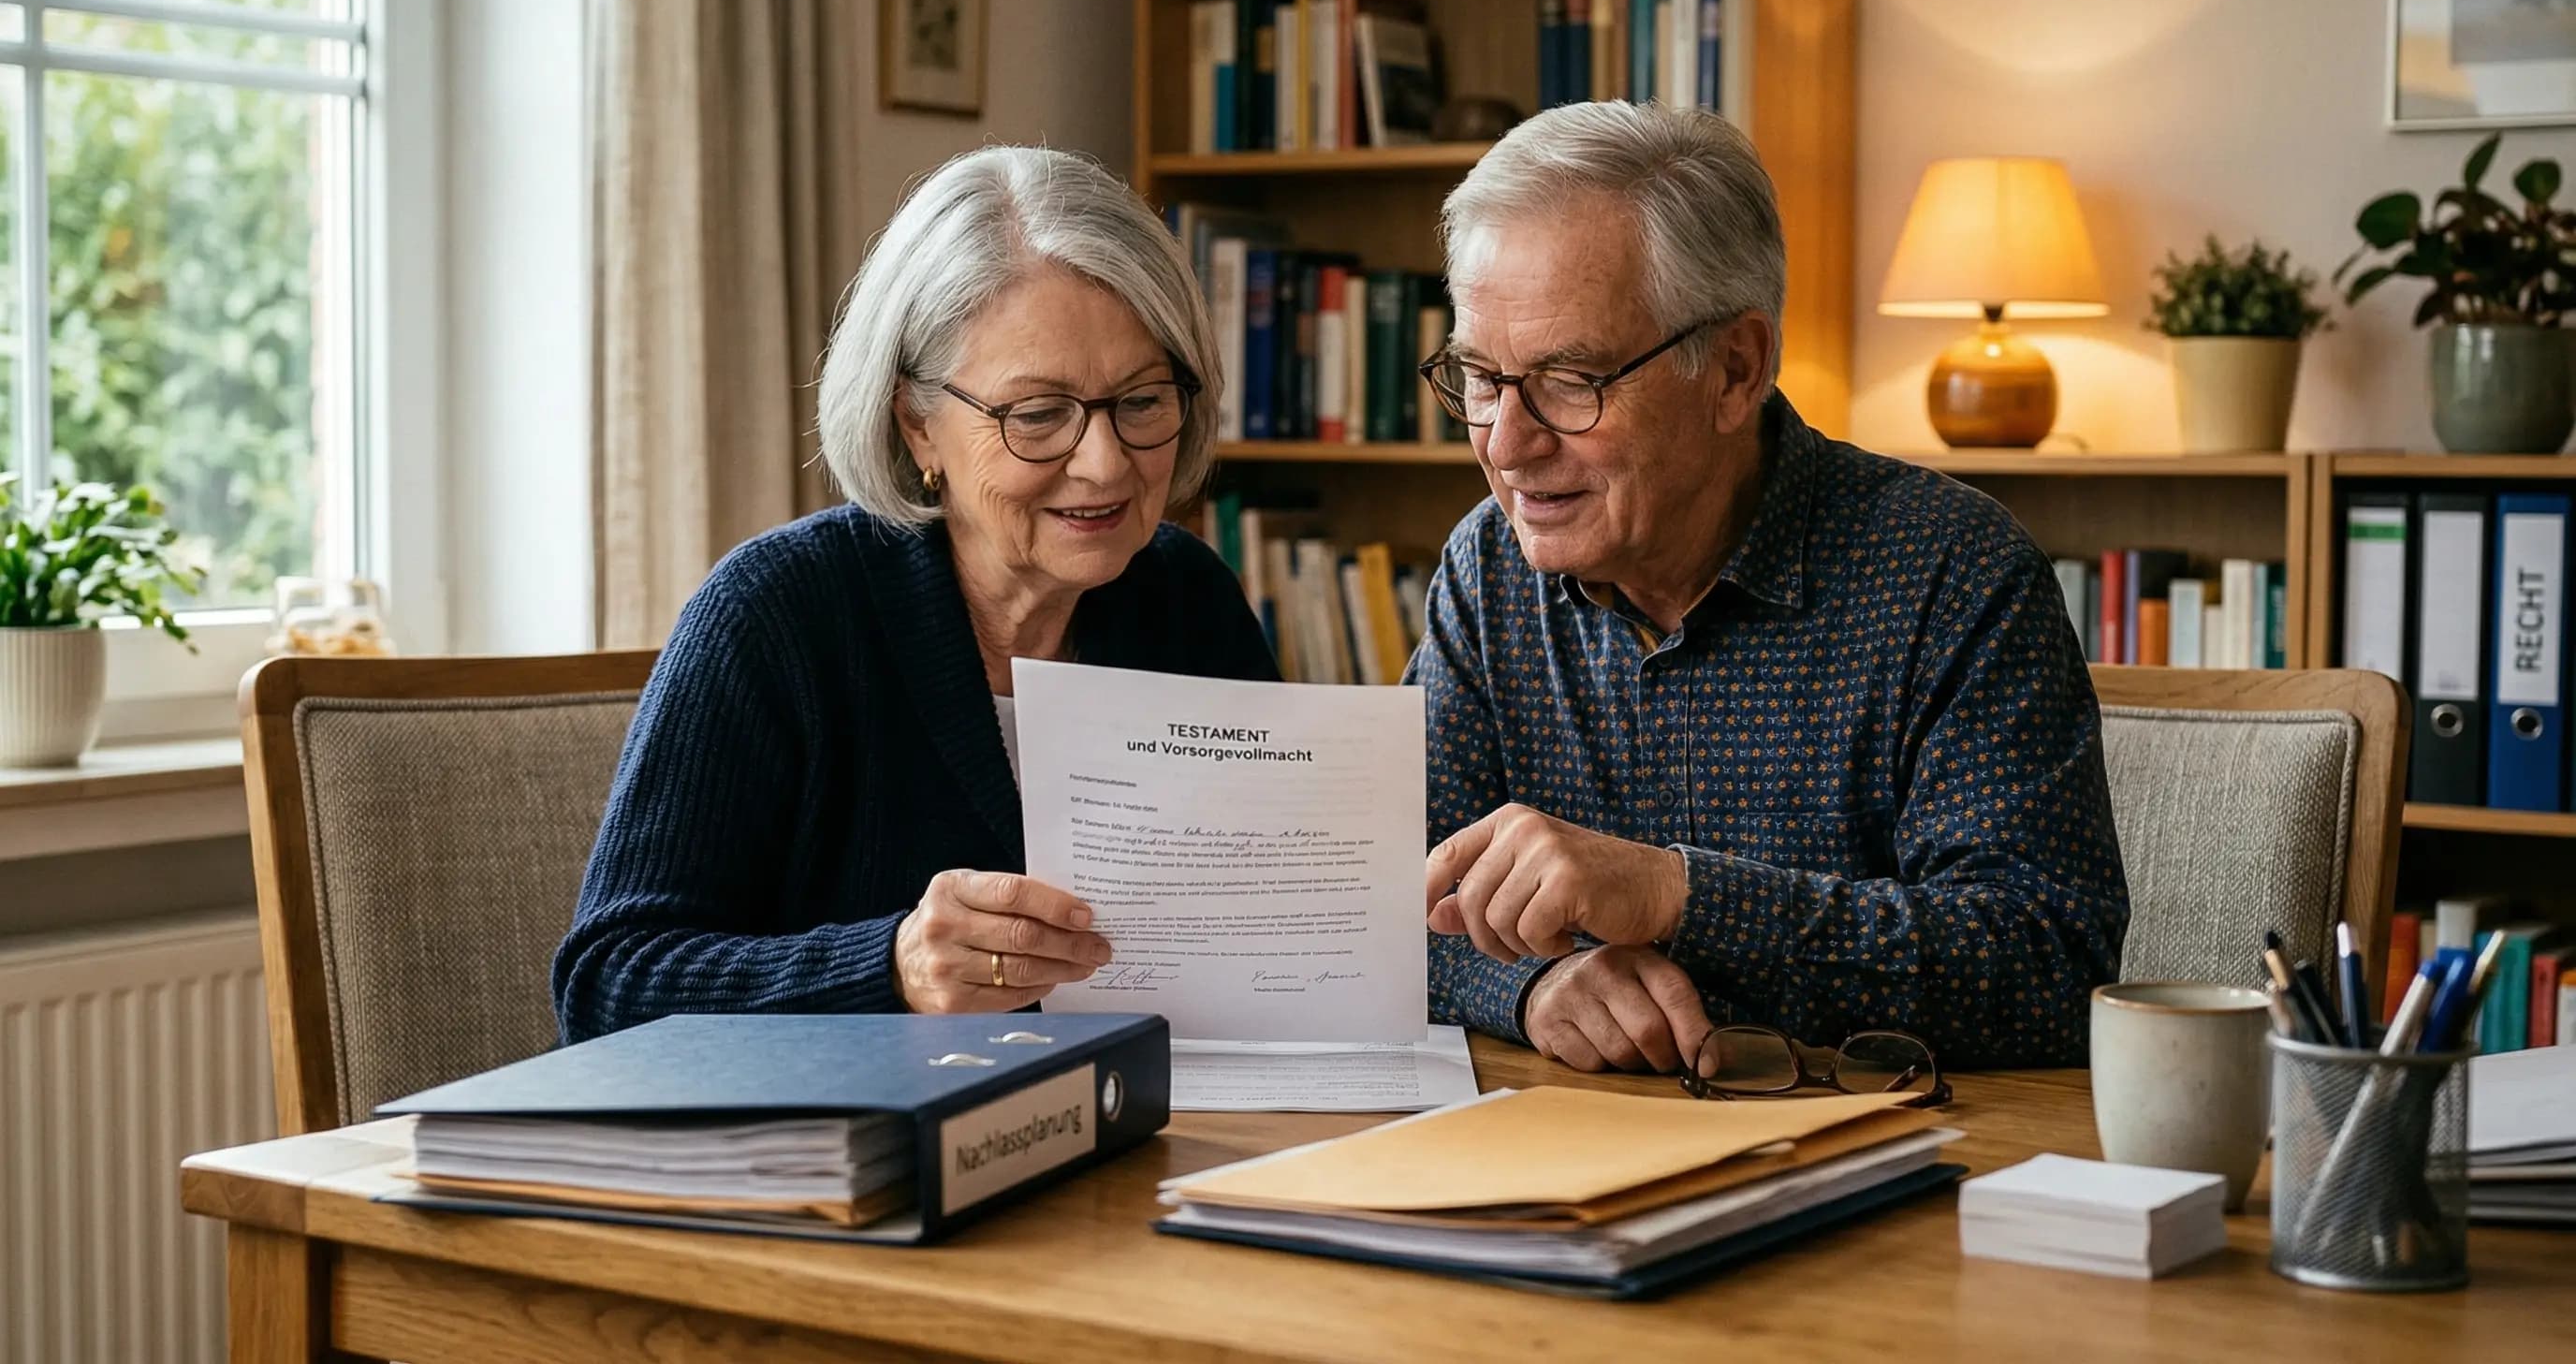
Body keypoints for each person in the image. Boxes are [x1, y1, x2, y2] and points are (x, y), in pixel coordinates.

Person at [1413, 103, 2127, 1072]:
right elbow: (1379, 905)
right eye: (1481, 378)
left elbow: (2047, 964)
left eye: (1570, 379)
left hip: (1887, 1166)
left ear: (1735, 369)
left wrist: (1677, 898)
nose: (1505, 444)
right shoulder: (1486, 568)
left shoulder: (1953, 574)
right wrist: (1533, 987)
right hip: (1570, 1156)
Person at [553, 146, 1276, 1043]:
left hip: (1142, 1129)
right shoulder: (778, 614)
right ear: (917, 422)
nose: (1104, 464)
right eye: (1038, 415)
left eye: (1140, 401)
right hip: (847, 1160)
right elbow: (607, 986)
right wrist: (888, 966)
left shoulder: (1186, 600)